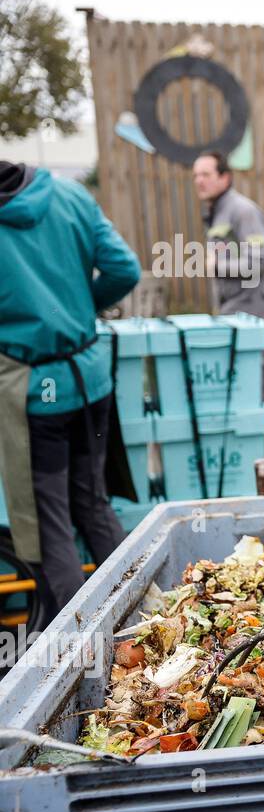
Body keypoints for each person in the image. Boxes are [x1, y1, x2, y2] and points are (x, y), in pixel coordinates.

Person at [0, 161, 141, 630]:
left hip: (37, 397)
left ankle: (83, 648)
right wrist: (79, 308)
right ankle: (148, 617)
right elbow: (124, 269)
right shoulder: (70, 195)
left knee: (49, 526)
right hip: (91, 379)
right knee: (94, 505)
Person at [191, 150, 264, 399]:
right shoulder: (217, 211)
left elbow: (260, 261)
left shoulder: (242, 211)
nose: (199, 181)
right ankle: (260, 431)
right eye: (196, 175)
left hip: (252, 304)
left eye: (206, 174)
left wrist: (216, 266)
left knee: (260, 370)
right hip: (233, 303)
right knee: (246, 371)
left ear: (225, 178)